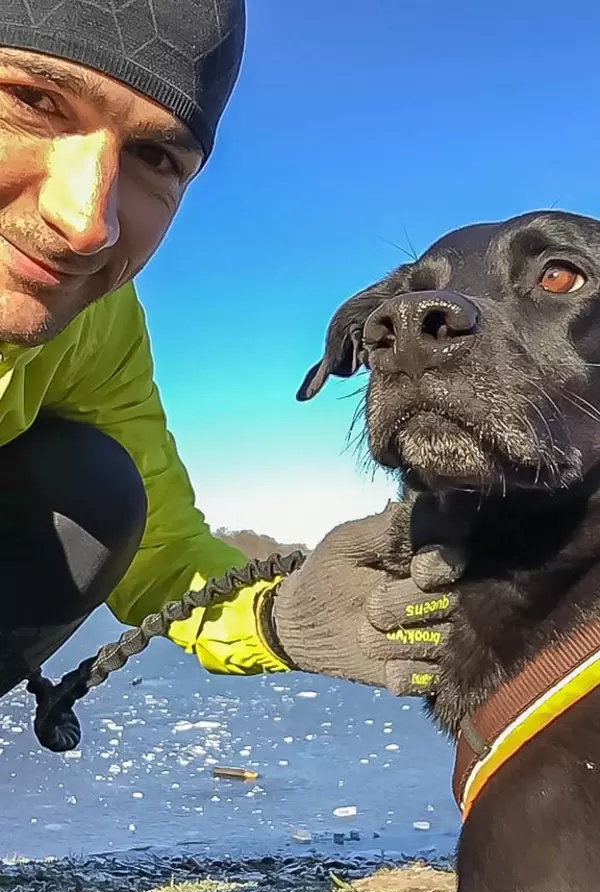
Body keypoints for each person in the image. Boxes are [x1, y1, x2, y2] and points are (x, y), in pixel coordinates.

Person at [0, 0, 459, 739]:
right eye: (32, 100)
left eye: (154, 157)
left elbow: (162, 548)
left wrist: (283, 614)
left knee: (95, 490)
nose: (87, 221)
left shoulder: (96, 324)